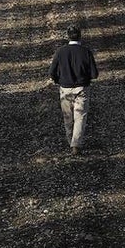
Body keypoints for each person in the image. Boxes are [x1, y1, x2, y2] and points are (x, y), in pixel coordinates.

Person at [48, 25, 99, 155]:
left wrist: (58, 80)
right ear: (80, 35)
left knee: (67, 117)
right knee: (80, 116)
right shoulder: (86, 52)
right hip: (81, 88)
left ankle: (70, 139)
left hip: (65, 88)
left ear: (68, 36)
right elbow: (94, 74)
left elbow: (52, 72)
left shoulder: (60, 52)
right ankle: (75, 144)